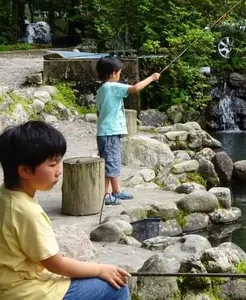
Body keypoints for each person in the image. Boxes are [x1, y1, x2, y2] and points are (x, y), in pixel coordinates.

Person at [0, 121, 131, 300]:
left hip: (7, 285)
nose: (59, 171)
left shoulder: (5, 195)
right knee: (116, 287)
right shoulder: (26, 212)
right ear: (24, 171)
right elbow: (56, 264)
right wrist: (100, 269)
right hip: (26, 293)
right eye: (52, 165)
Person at [96, 55, 160, 205]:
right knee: (110, 165)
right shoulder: (113, 87)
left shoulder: (101, 90)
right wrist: (152, 77)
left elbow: (98, 112)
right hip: (110, 133)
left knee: (111, 163)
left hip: (105, 132)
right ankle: (106, 196)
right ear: (112, 73)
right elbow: (135, 88)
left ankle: (116, 191)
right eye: (119, 73)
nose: (120, 75)